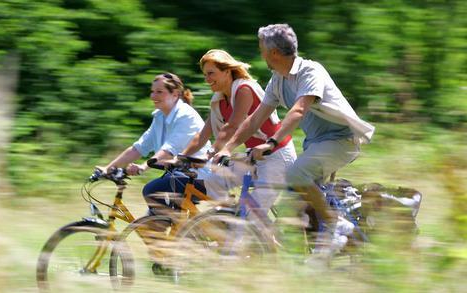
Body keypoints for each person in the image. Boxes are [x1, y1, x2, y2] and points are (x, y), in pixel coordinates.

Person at [215, 24, 375, 252]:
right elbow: (255, 119)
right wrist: (228, 148)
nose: (260, 54)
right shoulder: (278, 80)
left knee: (295, 174)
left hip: (342, 140)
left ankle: (336, 224)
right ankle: (315, 255)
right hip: (315, 145)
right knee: (290, 211)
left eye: (262, 49)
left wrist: (271, 143)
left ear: (274, 53)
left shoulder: (310, 72)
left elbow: (298, 111)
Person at [178, 49, 297, 220]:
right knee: (214, 182)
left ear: (227, 71)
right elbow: (202, 135)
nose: (207, 79)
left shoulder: (244, 89)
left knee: (250, 215)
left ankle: (255, 235)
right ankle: (228, 218)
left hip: (276, 155)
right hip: (253, 156)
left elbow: (232, 126)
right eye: (205, 75)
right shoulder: (220, 100)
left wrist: (211, 154)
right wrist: (181, 157)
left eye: (211, 73)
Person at [101, 72, 209, 214]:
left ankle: (173, 231)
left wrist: (143, 167)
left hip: (200, 176)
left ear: (175, 94)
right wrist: (108, 168)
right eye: (152, 91)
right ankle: (175, 232)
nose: (153, 96)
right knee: (152, 218)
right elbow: (138, 148)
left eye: (159, 92)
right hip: (179, 176)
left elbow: (168, 150)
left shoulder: (186, 116)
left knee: (151, 190)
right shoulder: (159, 117)